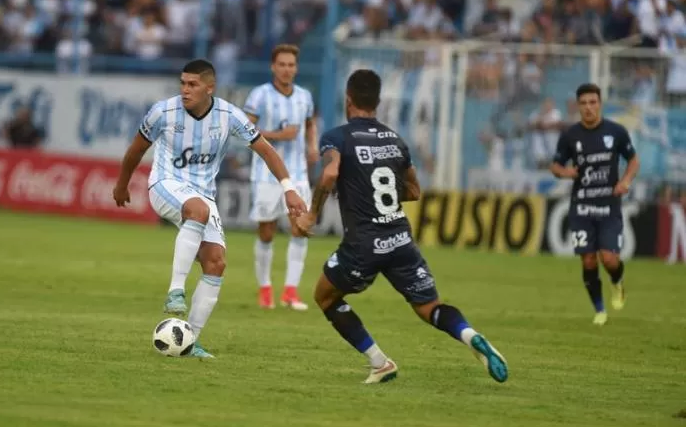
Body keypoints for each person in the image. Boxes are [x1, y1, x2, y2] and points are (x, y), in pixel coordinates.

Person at [293, 69, 508, 384]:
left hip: (363, 243)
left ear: (348, 99)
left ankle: (379, 362)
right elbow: (414, 191)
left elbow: (329, 175)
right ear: (377, 102)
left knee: (325, 297)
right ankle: (469, 334)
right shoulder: (395, 140)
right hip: (400, 238)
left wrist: (311, 215)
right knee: (429, 307)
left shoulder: (337, 137)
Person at [114, 59, 307, 359]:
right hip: (165, 184)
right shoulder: (162, 112)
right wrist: (122, 185)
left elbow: (267, 150)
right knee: (198, 211)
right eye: (182, 83)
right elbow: (135, 150)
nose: (185, 90)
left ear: (209, 87)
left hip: (203, 195)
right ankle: (175, 292)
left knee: (216, 263)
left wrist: (289, 190)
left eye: (192, 84)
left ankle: (190, 340)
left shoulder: (229, 116)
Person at [550, 83, 639, 326]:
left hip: (609, 206)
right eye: (584, 103)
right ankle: (599, 309)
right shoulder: (570, 136)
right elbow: (555, 165)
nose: (588, 108)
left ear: (600, 104)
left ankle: (617, 282)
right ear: (578, 106)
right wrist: (566, 172)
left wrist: (625, 181)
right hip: (581, 207)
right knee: (588, 260)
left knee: (609, 259)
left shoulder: (616, 132)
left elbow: (633, 160)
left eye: (593, 102)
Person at [243, 44, 318, 310]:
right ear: (273, 67)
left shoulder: (304, 97)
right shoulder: (259, 95)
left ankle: (290, 291)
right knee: (266, 231)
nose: (287, 69)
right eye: (282, 64)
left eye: (291, 65)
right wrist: (276, 134)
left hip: (297, 172)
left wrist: (312, 146)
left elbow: (309, 124)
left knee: (301, 228)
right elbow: (245, 131)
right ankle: (265, 289)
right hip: (265, 173)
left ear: (296, 68)